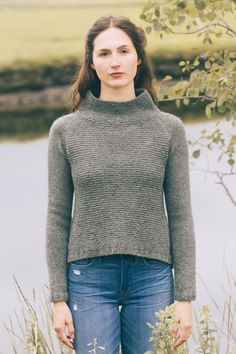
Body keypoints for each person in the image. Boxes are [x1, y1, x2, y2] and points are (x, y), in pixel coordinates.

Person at [45, 14, 196, 354]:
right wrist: (58, 300)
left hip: (153, 277)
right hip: (88, 279)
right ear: (92, 62)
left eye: (124, 51)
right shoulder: (66, 131)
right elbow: (57, 219)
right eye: (104, 54)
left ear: (138, 58)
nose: (115, 62)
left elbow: (182, 217)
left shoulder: (168, 129)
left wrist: (185, 297)